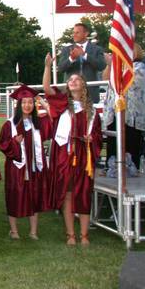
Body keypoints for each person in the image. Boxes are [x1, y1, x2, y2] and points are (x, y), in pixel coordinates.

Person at [42, 52, 103, 246]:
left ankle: (84, 234)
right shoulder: (62, 104)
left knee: (83, 193)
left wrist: (91, 138)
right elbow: (46, 89)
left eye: (77, 79)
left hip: (83, 156)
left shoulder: (91, 112)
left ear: (83, 85)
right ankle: (70, 234)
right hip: (64, 154)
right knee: (67, 194)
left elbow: (99, 138)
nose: (73, 81)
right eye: (70, 79)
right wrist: (47, 67)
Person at [0, 85, 50, 240]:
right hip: (16, 169)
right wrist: (14, 142)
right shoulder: (10, 125)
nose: (27, 105)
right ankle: (14, 230)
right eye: (24, 103)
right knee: (14, 196)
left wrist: (42, 101)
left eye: (30, 102)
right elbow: (2, 144)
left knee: (34, 196)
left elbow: (52, 118)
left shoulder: (38, 124)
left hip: (34, 168)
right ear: (19, 105)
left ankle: (33, 231)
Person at [102, 44, 145, 176]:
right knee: (113, 138)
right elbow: (105, 78)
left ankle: (131, 166)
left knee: (131, 138)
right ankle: (110, 166)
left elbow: (128, 82)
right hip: (115, 109)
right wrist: (110, 65)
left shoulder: (139, 67)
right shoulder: (116, 66)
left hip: (131, 112)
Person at [56, 21, 106, 101]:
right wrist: (71, 59)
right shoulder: (66, 50)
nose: (74, 35)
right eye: (74, 32)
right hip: (71, 94)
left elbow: (101, 66)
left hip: (91, 92)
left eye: (77, 33)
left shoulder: (97, 49)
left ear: (86, 34)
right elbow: (61, 68)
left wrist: (85, 55)